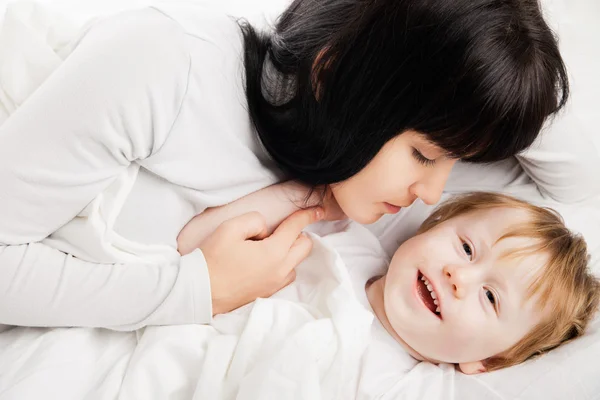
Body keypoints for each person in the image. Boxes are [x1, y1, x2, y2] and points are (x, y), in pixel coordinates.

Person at [0, 0, 572, 329]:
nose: (431, 193)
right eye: (423, 154)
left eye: (455, 161)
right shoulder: (165, 66)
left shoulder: (354, 175)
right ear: (332, 74)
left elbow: (573, 186)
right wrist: (201, 290)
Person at [178, 189, 600, 389]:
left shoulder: (406, 387)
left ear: (487, 361)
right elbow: (197, 242)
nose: (459, 276)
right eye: (467, 247)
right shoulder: (343, 236)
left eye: (490, 297)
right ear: (430, 227)